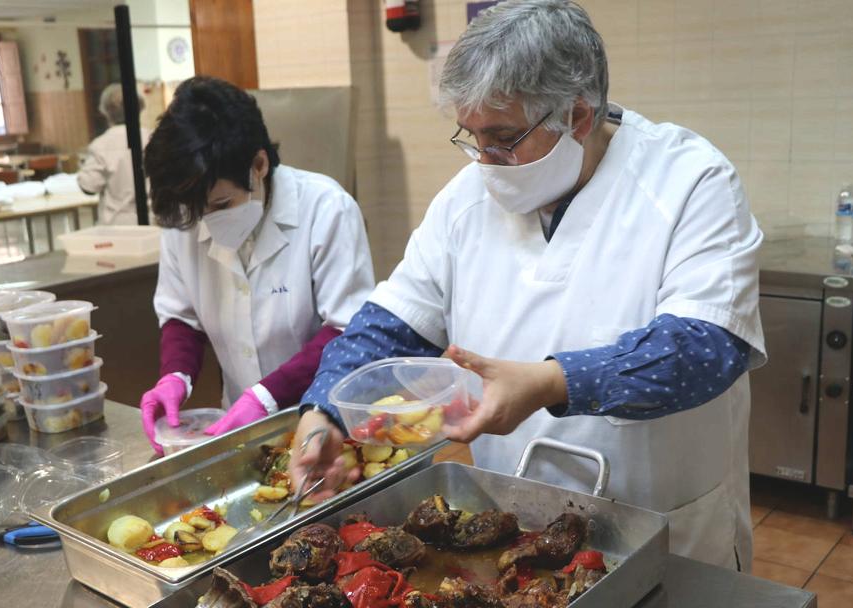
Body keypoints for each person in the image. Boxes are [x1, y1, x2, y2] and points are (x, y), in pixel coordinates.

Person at [289, 0, 764, 573]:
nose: (485, 160)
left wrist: (547, 382)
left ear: (579, 116)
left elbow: (703, 348)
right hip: (512, 529)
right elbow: (390, 325)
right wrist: (324, 413)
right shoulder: (465, 201)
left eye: (505, 137)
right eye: (471, 136)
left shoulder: (690, 182)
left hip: (667, 527)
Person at [140, 77, 374, 454]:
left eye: (220, 205)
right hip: (237, 424)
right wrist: (176, 376)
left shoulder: (326, 209)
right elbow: (181, 316)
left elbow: (345, 331)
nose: (207, 220)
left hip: (324, 422)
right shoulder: (185, 221)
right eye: (197, 209)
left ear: (259, 165)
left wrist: (267, 396)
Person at [77, 83, 152, 225]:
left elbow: (88, 186)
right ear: (139, 107)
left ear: (105, 111)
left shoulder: (101, 144)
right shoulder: (152, 138)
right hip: (152, 220)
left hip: (117, 224)